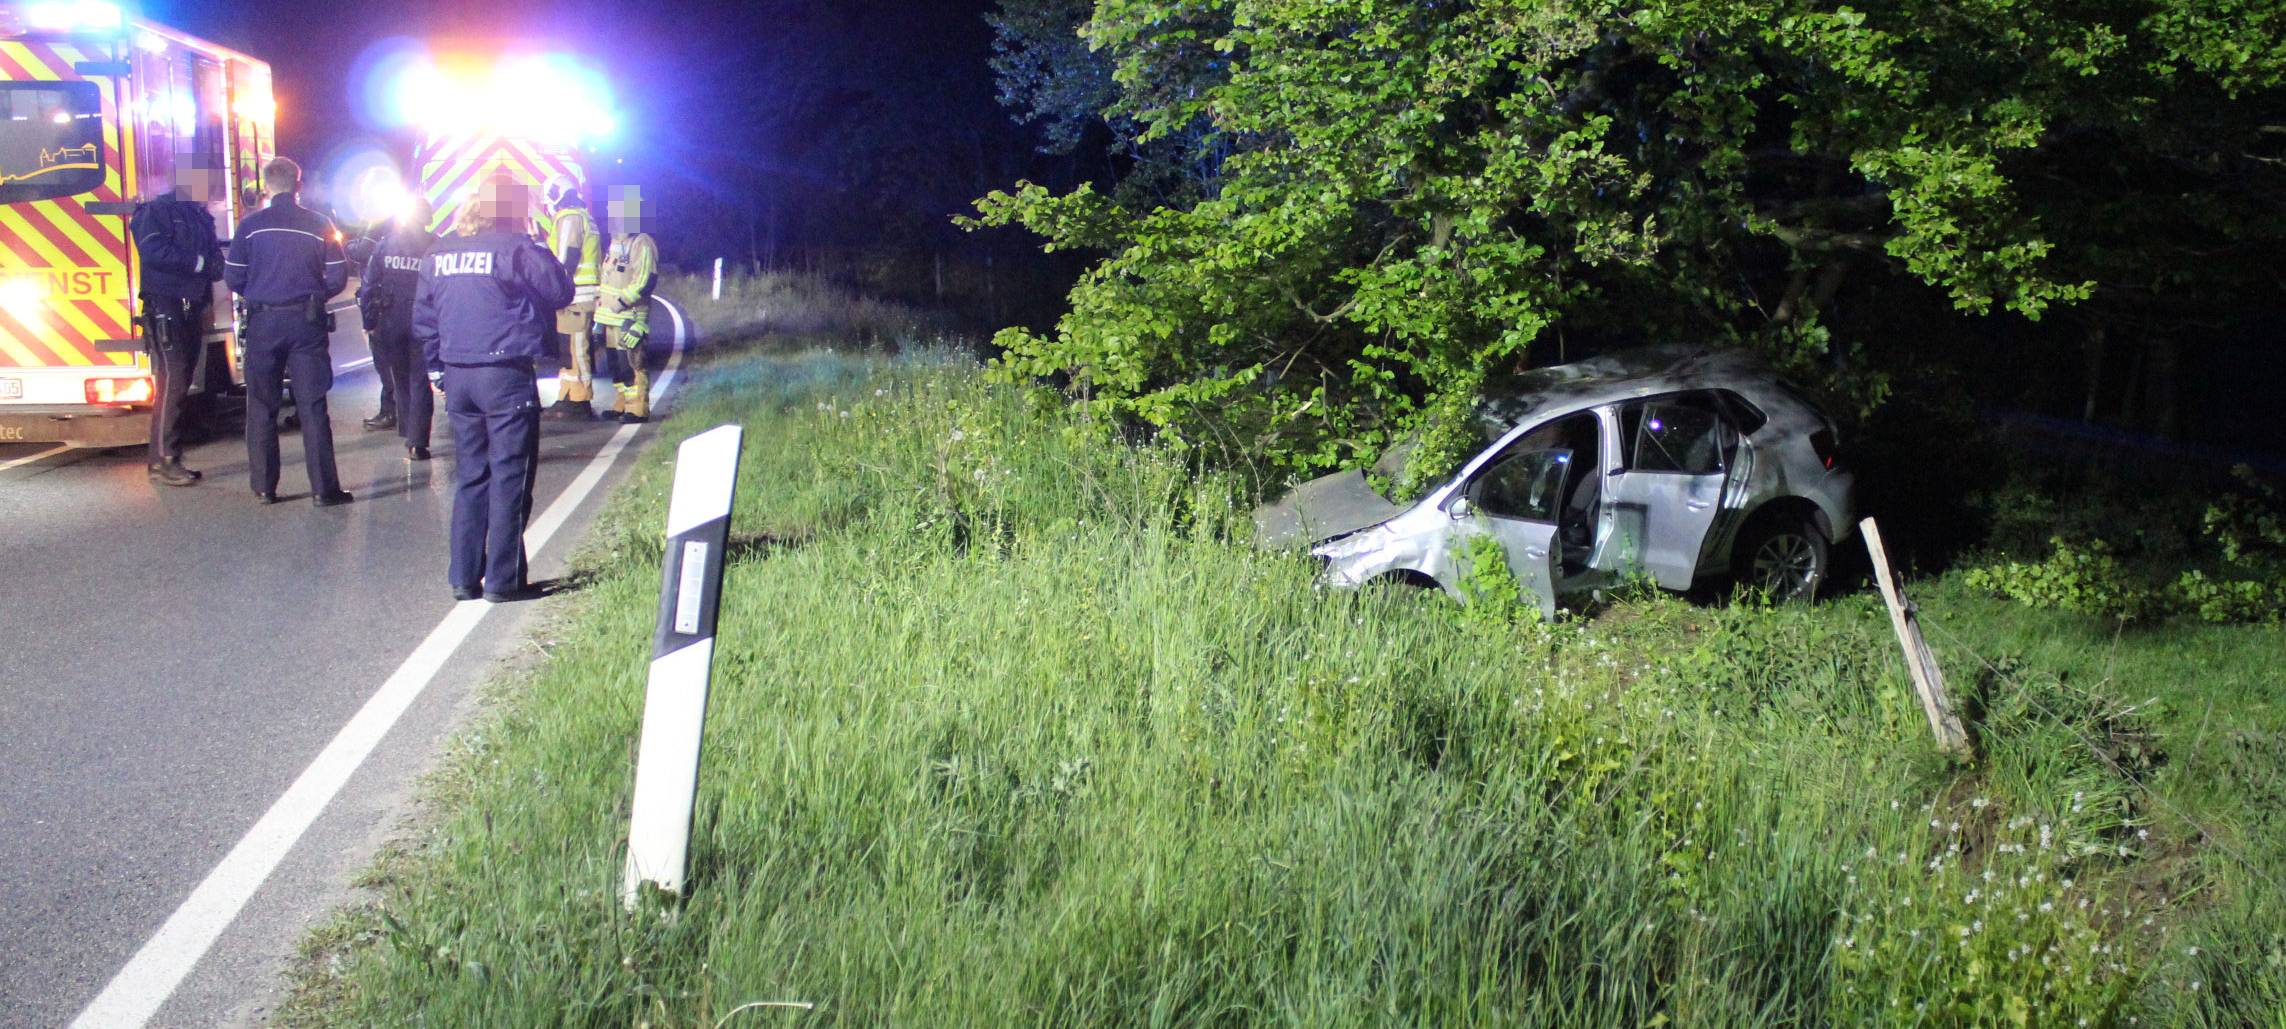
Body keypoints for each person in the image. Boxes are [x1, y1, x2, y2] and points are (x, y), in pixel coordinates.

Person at [413, 174, 574, 602]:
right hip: (504, 375)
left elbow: (424, 320)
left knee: (471, 477)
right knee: (510, 477)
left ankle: (463, 578)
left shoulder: (439, 253)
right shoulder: (516, 247)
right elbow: (559, 290)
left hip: (459, 376)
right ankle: (504, 581)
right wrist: (537, 241)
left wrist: (437, 372)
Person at [223, 156, 352, 507]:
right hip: (306, 323)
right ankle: (324, 490)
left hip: (264, 323)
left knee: (261, 405)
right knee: (312, 406)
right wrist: (313, 294)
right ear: (298, 184)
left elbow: (233, 276)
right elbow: (338, 276)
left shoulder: (250, 226)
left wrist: (262, 290)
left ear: (266, 186)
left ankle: (265, 487)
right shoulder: (319, 224)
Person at [130, 159, 226, 486]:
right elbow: (153, 251)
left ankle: (163, 459)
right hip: (166, 305)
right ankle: (166, 459)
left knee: (177, 382)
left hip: (191, 307)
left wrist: (208, 275)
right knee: (174, 378)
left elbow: (215, 262)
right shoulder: (157, 212)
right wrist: (198, 263)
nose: (210, 189)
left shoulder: (200, 216)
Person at [356, 198, 439, 459]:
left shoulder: (385, 244)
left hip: (391, 320)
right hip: (424, 320)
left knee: (400, 377)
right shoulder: (436, 245)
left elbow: (369, 286)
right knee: (419, 380)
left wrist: (369, 322)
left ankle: (408, 433)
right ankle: (418, 440)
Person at [537, 174, 601, 420]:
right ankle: (567, 394)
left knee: (576, 347)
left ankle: (580, 398)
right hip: (578, 294)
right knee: (569, 349)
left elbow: (566, 257)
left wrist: (553, 288)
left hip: (573, 293)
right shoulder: (585, 217)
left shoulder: (569, 218)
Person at [595, 185, 659, 423]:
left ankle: (638, 408)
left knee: (634, 363)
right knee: (616, 365)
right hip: (610, 318)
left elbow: (645, 281)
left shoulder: (642, 243)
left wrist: (620, 303)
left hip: (630, 317)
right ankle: (622, 403)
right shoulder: (615, 243)